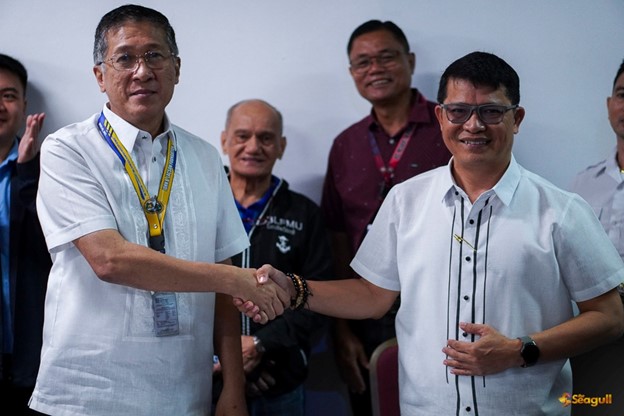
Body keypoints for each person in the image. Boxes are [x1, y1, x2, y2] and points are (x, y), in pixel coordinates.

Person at [248, 51, 624, 415]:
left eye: (491, 111)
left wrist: (520, 350)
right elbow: (372, 296)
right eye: (459, 111)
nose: (473, 125)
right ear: (441, 117)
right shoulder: (405, 200)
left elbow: (609, 317)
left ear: (517, 118)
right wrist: (294, 289)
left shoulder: (562, 210)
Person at [30, 5, 288, 416]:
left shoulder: (205, 157)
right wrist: (236, 279)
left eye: (154, 56)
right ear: (100, 76)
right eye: (124, 58)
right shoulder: (68, 150)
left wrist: (233, 388)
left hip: (185, 395)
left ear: (176, 68)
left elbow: (224, 286)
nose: (142, 71)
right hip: (85, 395)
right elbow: (109, 260)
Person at [320, 19, 451, 415]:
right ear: (352, 73)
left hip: (442, 308)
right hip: (366, 310)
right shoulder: (346, 144)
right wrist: (342, 330)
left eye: (386, 57)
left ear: (410, 61)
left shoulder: (450, 129)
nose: (374, 69)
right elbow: (337, 237)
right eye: (363, 62)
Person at [214, 99, 332, 416]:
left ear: (281, 146)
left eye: (266, 138)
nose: (253, 147)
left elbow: (320, 298)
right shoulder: (200, 204)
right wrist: (226, 358)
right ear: (224, 141)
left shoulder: (305, 214)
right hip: (206, 378)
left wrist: (261, 345)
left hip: (279, 379)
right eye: (242, 136)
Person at [569, 59, 624, 415]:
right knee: (592, 407)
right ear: (609, 104)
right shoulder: (583, 183)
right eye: (622, 94)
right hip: (596, 331)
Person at [0, 53, 49, 416]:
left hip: (28, 356)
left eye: (8, 95)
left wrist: (28, 171)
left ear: (24, 106)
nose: (0, 106)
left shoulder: (48, 169)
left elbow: (50, 246)